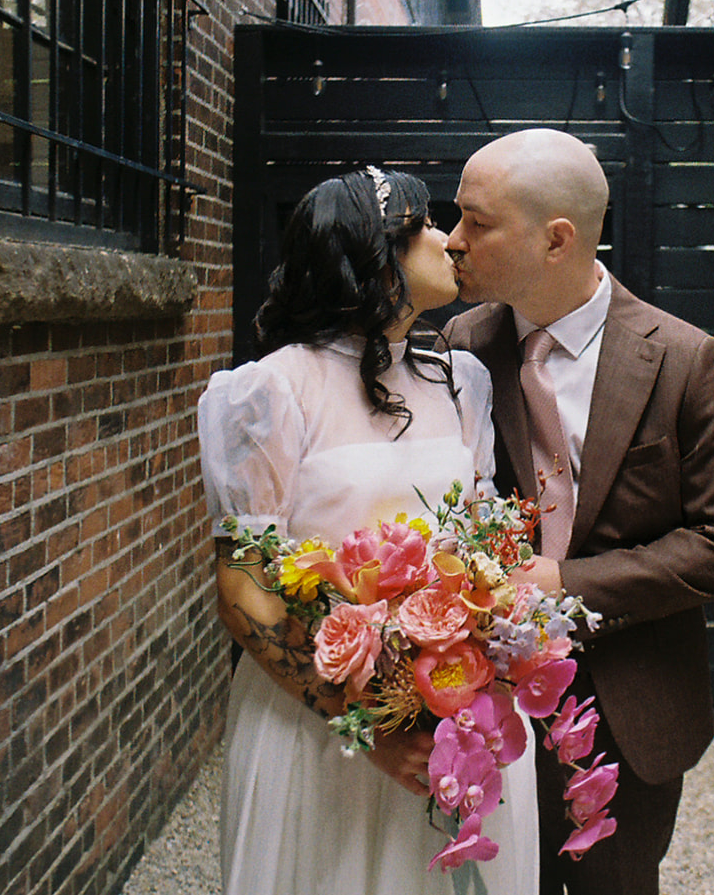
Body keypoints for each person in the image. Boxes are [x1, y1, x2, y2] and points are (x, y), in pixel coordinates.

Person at [443, 128, 714, 895]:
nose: (452, 241)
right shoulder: (465, 343)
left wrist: (565, 579)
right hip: (487, 710)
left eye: (476, 222)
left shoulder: (684, 359)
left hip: (632, 707)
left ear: (556, 240)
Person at [197, 168, 538, 894]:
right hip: (319, 732)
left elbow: (478, 549)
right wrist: (371, 725)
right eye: (426, 226)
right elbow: (243, 591)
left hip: (452, 715)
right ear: (374, 251)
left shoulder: (461, 382)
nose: (451, 242)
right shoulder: (271, 391)